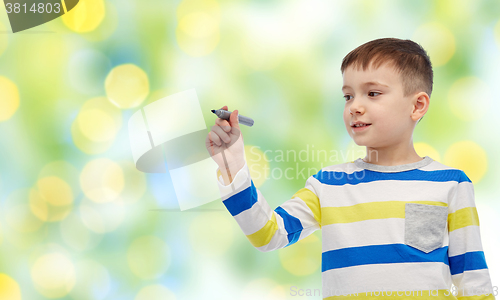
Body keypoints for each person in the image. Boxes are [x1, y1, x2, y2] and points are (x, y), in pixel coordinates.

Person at [205, 38, 495, 299]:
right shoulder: (328, 185)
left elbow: (474, 284)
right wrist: (234, 167)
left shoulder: (450, 184)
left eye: (373, 94)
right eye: (348, 96)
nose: (355, 106)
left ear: (417, 105)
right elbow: (269, 235)